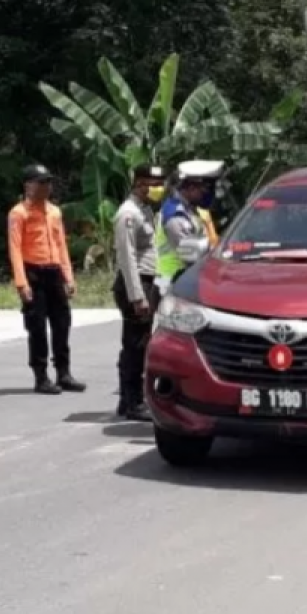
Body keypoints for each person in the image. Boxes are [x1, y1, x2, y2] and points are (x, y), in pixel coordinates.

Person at [8, 163, 86, 395]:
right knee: (37, 327)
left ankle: (64, 373)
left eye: (48, 183)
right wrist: (22, 283)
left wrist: (68, 277)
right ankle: (41, 376)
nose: (46, 187)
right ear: (28, 186)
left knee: (62, 323)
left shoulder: (54, 211)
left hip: (54, 272)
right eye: (41, 183)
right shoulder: (18, 213)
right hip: (33, 272)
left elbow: (61, 244)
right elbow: (15, 249)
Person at [112, 164, 167, 421]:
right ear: (139, 183)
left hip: (148, 282)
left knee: (141, 342)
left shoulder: (145, 210)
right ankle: (132, 400)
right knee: (134, 345)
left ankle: (128, 399)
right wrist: (137, 296)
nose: (158, 188)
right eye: (153, 183)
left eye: (160, 183)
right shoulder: (128, 214)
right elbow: (127, 258)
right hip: (135, 284)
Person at [154, 161, 219, 296]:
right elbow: (191, 254)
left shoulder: (189, 209)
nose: (206, 194)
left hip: (181, 279)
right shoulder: (176, 216)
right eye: (203, 190)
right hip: (171, 283)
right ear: (190, 188)